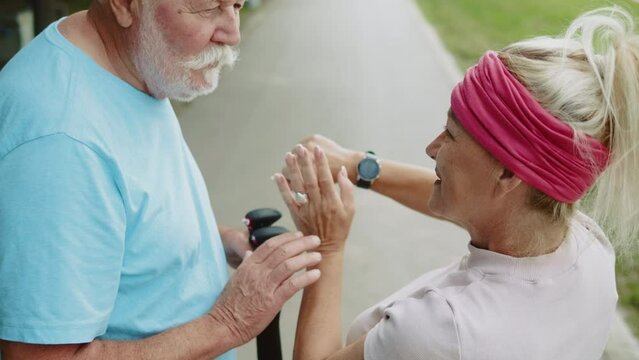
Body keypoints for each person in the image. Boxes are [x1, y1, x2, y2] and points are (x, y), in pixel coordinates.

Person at [273, 6, 639, 360]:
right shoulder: (589, 251)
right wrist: (361, 167)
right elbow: (479, 202)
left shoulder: (443, 331)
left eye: (450, 133)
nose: (431, 148)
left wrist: (329, 244)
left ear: (510, 172)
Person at [0, 0, 323, 358]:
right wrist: (229, 321)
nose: (233, 33)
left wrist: (216, 241)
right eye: (208, 8)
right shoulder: (61, 143)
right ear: (124, 5)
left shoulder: (134, 63)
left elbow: (121, 215)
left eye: (236, 4)